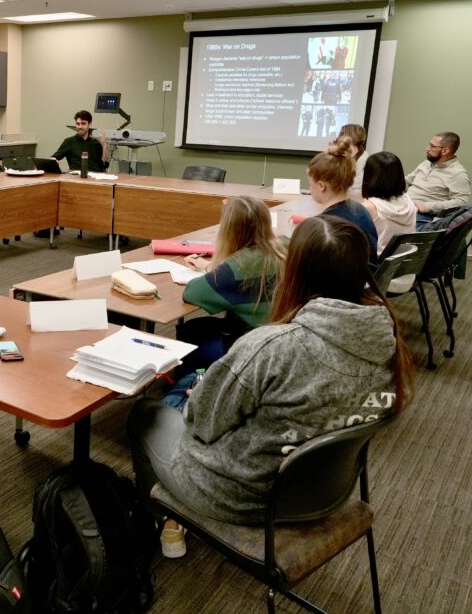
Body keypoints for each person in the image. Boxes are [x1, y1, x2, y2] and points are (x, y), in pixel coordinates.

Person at [128, 215, 413, 558]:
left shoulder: (271, 347)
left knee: (145, 414)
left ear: (295, 272)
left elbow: (201, 426)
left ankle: (165, 518)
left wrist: (201, 395)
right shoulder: (387, 338)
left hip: (241, 497)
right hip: (324, 494)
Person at [167, 196, 285, 405]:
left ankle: (189, 393)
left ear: (229, 230)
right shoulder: (283, 247)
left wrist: (217, 265)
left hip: (250, 348)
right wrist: (209, 267)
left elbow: (192, 293)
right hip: (282, 340)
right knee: (202, 326)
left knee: (190, 332)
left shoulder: (234, 268)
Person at [307, 137, 378, 260]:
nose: (309, 188)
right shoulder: (361, 210)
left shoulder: (325, 225)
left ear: (321, 186)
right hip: (365, 277)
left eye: (310, 183)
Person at [406, 131, 470, 225]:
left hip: (422, 215)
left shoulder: (458, 173)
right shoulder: (427, 163)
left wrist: (427, 206)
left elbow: (461, 202)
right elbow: (408, 180)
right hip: (404, 206)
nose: (427, 149)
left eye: (432, 146)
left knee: (381, 225)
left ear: (445, 151)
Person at [362, 152, 417, 255]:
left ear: (370, 176)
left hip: (377, 265)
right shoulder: (408, 200)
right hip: (402, 263)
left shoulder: (370, 207)